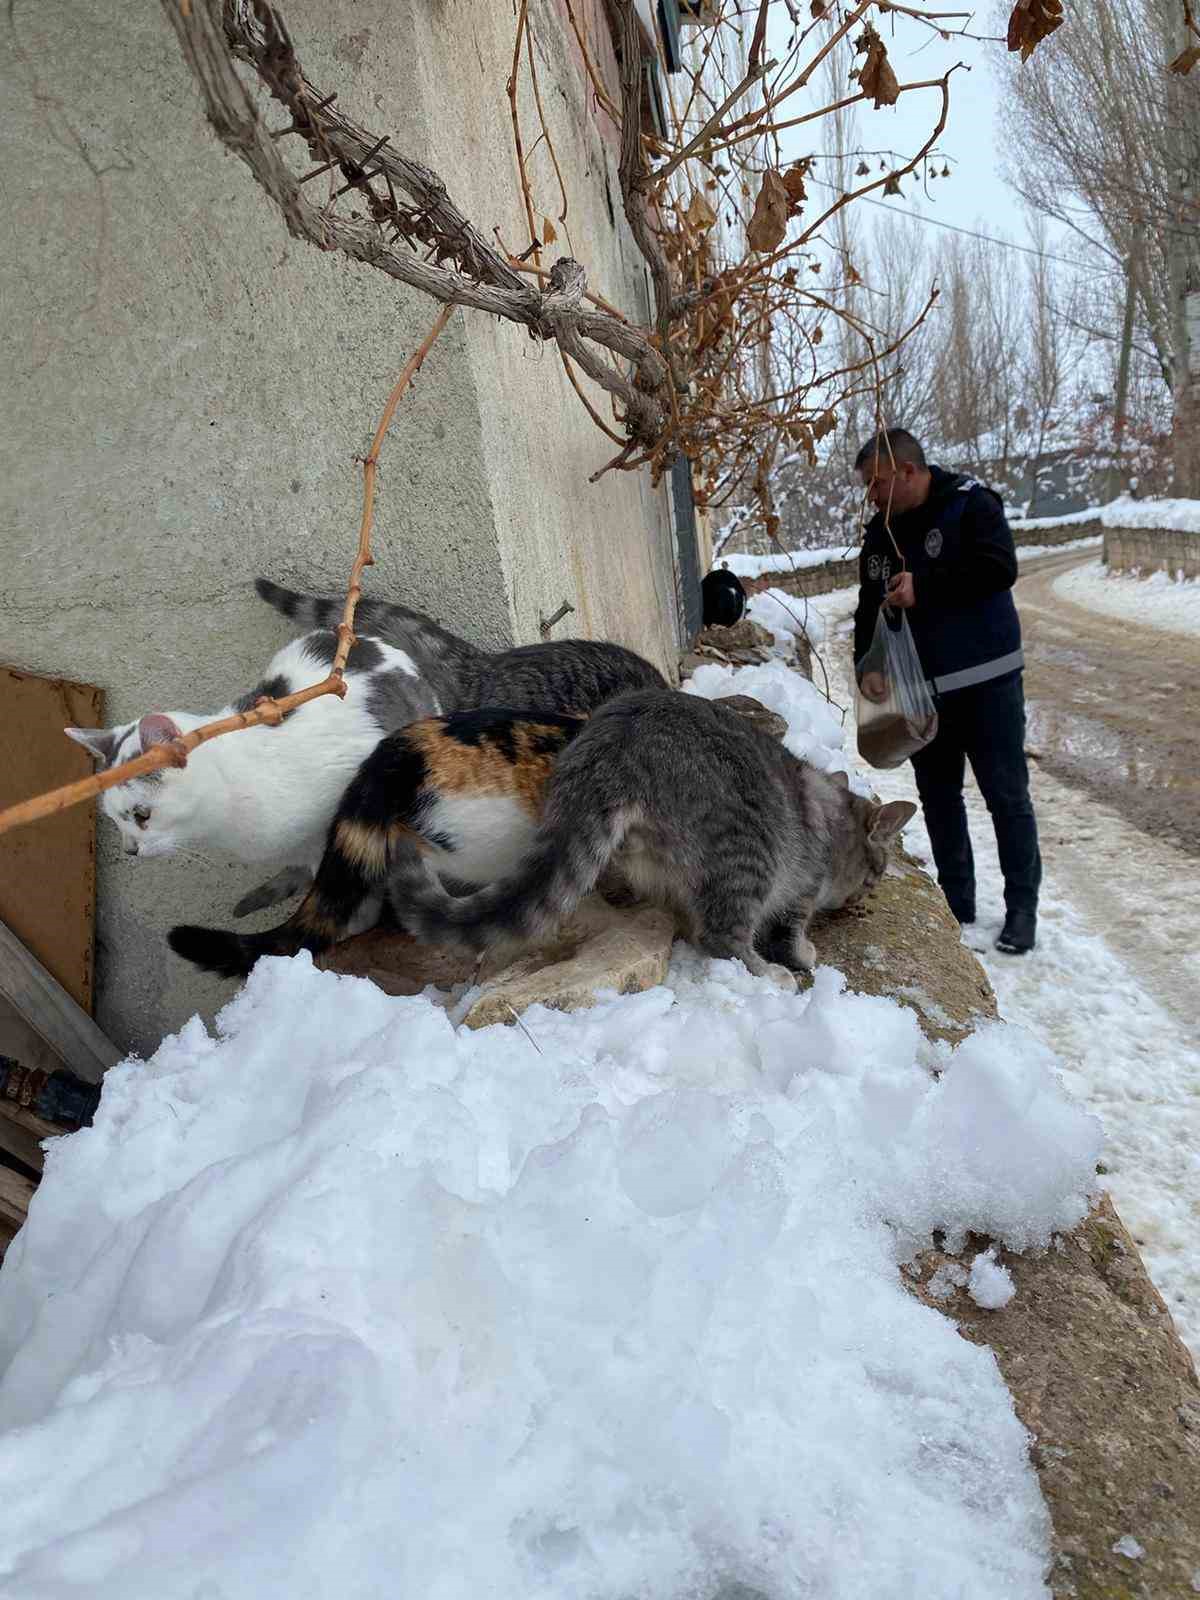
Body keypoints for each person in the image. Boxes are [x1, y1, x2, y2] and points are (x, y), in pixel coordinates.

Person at [851, 428, 1040, 954]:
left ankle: (1022, 910)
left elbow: (999, 568)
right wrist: (866, 663)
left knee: (1006, 797)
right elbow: (869, 603)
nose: (871, 494)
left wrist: (926, 586)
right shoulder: (880, 533)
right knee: (939, 800)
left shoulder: (971, 506)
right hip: (921, 698)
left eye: (877, 483)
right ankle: (957, 905)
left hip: (988, 686)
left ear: (909, 472)